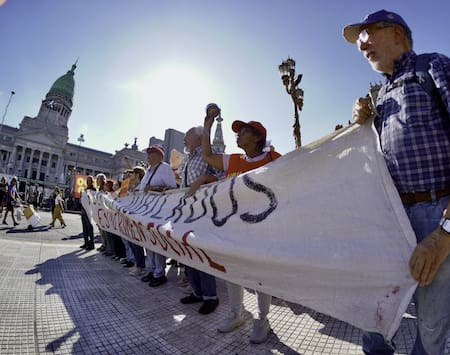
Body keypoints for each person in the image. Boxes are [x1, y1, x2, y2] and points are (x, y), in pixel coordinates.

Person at [343, 9, 450, 355]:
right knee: (373, 313)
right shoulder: (382, 95)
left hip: (437, 216)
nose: (361, 45)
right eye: (359, 40)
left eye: (368, 33)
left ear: (398, 33)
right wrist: (363, 123)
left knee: (431, 325)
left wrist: (445, 232)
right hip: (392, 219)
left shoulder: (433, 68)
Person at [199, 105, 282, 344]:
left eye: (244, 131)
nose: (238, 134)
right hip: (233, 228)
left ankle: (262, 318)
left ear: (257, 137)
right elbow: (207, 156)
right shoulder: (233, 160)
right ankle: (235, 313)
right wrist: (207, 125)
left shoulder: (272, 158)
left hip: (262, 228)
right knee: (231, 270)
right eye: (237, 131)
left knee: (259, 274)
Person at [178, 122, 223, 315]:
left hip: (204, 209)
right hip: (186, 210)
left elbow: (223, 176)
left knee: (201, 253)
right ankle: (197, 292)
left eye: (187, 136)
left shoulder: (209, 153)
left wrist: (203, 179)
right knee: (187, 252)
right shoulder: (187, 160)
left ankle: (210, 297)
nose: (184, 140)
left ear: (197, 137)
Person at [133, 145, 177, 283]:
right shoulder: (148, 171)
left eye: (152, 153)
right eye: (148, 153)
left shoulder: (164, 168)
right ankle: (151, 270)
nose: (149, 156)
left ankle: (159, 273)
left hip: (159, 212)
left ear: (160, 155)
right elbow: (142, 189)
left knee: (157, 242)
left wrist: (153, 188)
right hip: (147, 212)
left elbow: (172, 189)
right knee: (148, 242)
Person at [80, 176, 96, 250]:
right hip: (83, 210)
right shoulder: (85, 189)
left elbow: (93, 201)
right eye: (87, 180)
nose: (87, 181)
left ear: (92, 182)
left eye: (89, 180)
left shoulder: (94, 190)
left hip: (89, 211)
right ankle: (86, 243)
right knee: (84, 228)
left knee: (90, 228)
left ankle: (91, 244)